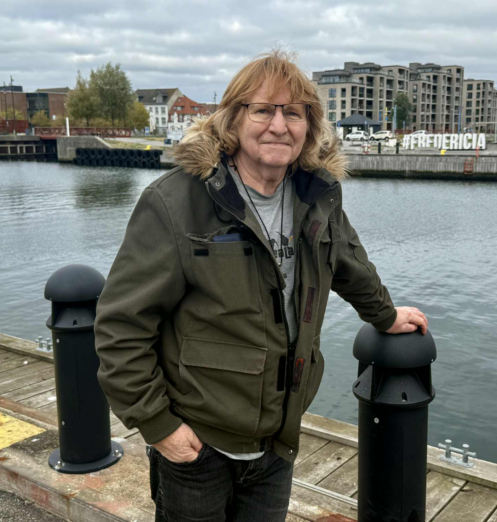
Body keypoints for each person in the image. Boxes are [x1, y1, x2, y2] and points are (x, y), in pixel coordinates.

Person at [94, 51, 428, 522]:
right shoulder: (176, 202)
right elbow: (121, 326)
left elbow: (348, 262)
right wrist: (158, 425)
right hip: (198, 445)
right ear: (234, 119)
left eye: (293, 112)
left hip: (277, 441)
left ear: (309, 126)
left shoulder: (317, 196)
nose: (278, 125)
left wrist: (386, 316)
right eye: (263, 110)